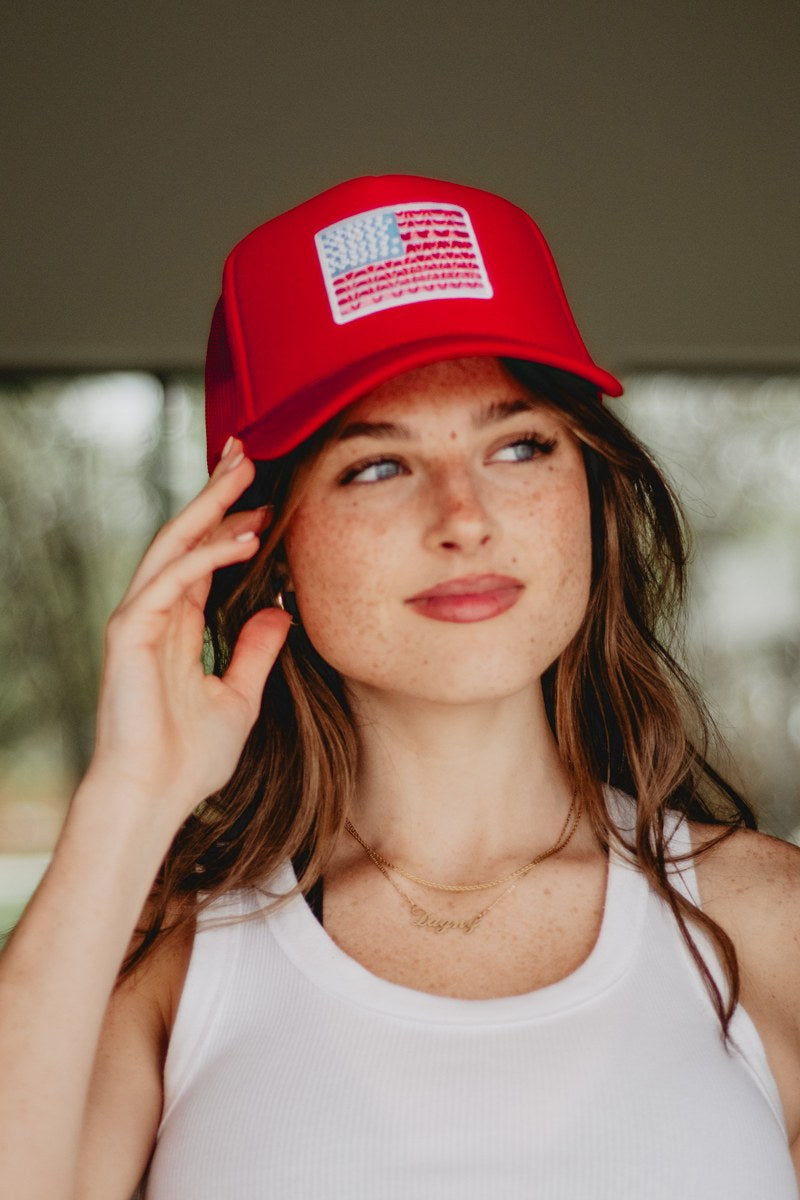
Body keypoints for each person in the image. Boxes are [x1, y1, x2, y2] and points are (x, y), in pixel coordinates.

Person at [1, 174, 798, 1199]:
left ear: (590, 499)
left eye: (518, 446)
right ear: (262, 542)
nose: (462, 516)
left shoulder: (764, 918)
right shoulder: (167, 956)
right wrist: (131, 796)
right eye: (375, 466)